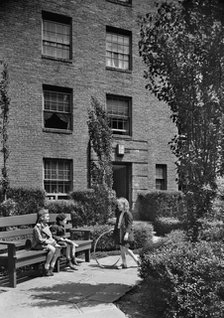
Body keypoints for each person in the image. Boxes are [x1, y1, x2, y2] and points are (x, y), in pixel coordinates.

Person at [32, 208, 61, 276]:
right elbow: (40, 240)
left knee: (58, 248)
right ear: (42, 218)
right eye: (47, 216)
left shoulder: (46, 226)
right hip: (37, 245)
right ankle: (46, 267)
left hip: (46, 244)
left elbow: (50, 236)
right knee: (52, 249)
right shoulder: (37, 227)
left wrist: (54, 242)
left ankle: (52, 266)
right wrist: (50, 243)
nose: (49, 218)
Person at [113, 197, 139, 268]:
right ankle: (124, 263)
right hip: (120, 233)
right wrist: (115, 230)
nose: (118, 207)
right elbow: (118, 223)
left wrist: (127, 233)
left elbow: (129, 225)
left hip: (125, 234)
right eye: (118, 205)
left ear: (124, 205)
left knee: (125, 249)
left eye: (119, 205)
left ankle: (136, 260)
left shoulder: (128, 214)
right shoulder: (120, 213)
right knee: (122, 249)